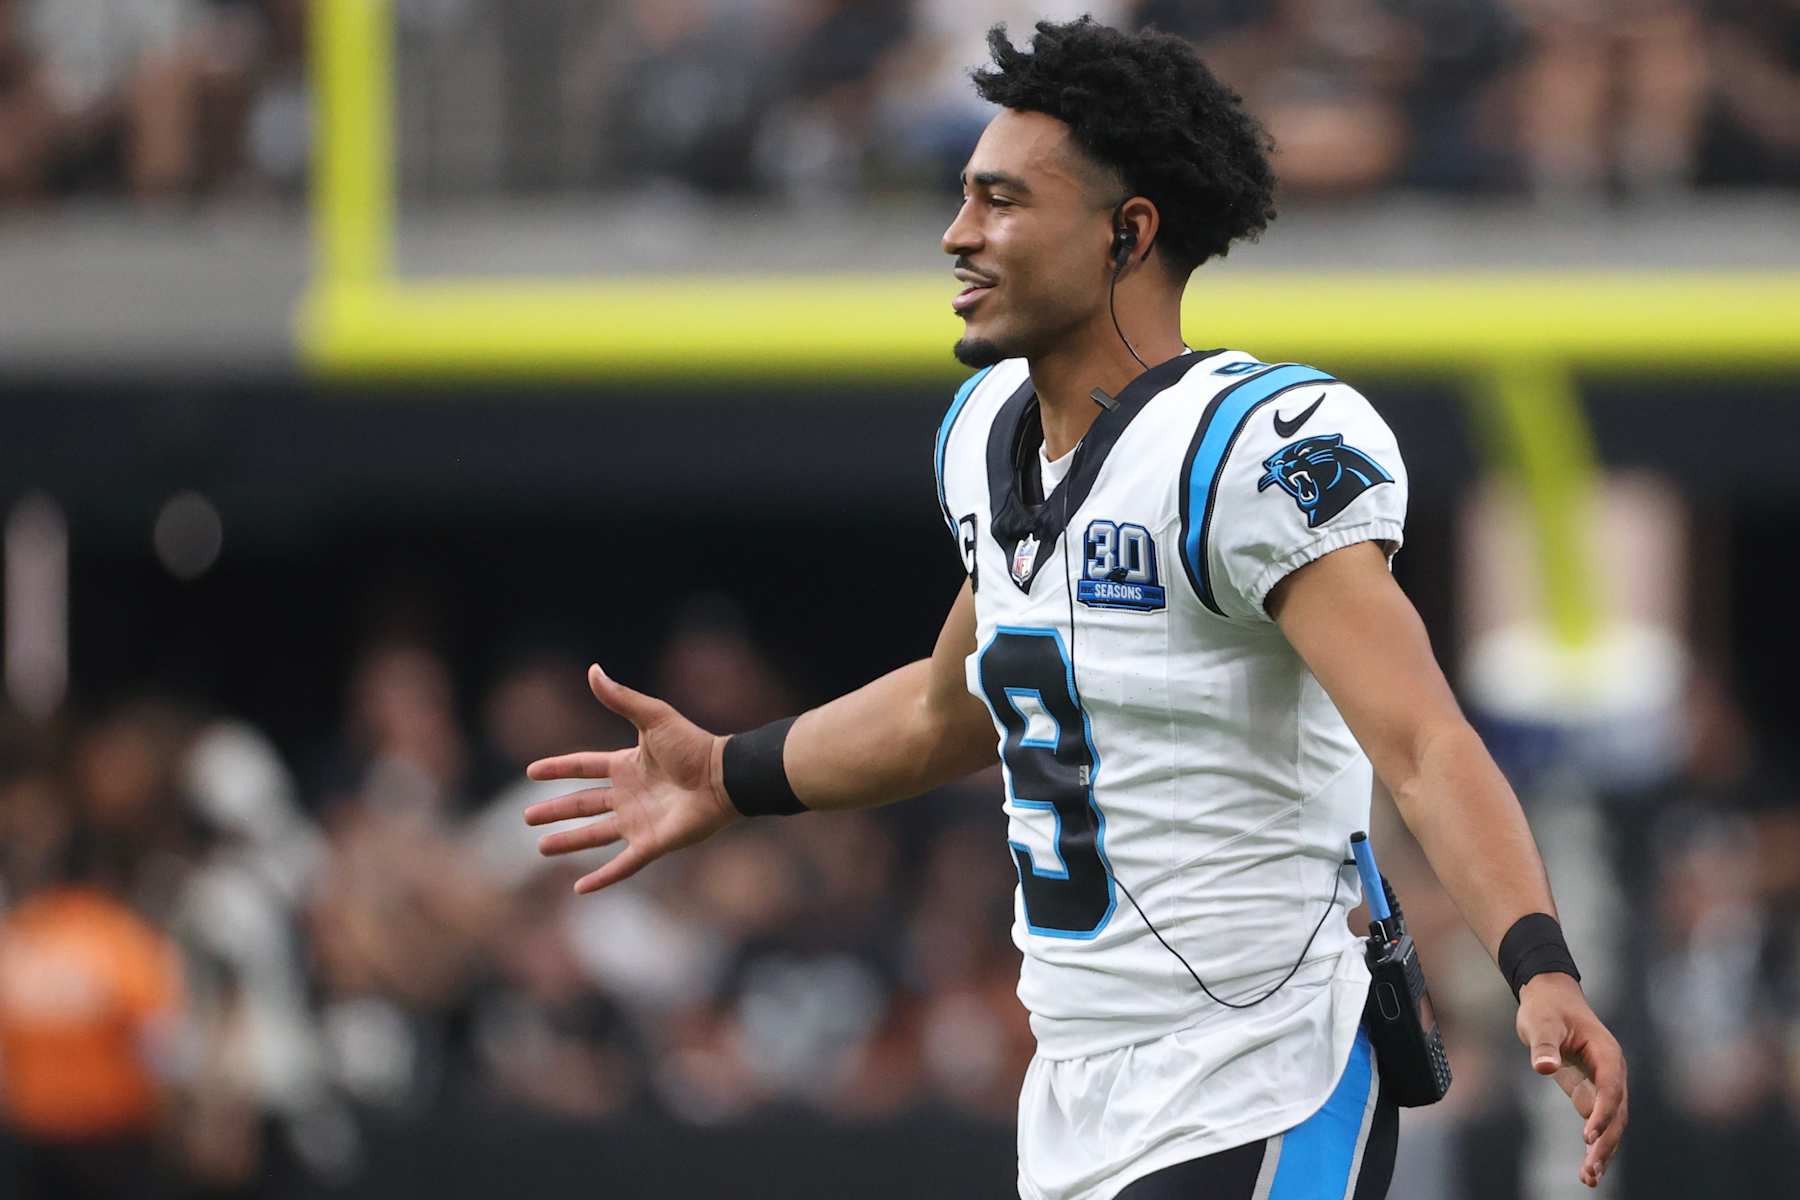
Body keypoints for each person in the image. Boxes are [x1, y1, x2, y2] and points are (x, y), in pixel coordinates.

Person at [524, 18, 1627, 1200]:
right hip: (1075, 1098)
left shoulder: (1246, 449)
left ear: (1127, 232)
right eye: (964, 197)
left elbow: (1419, 741)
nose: (958, 234)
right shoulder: (987, 437)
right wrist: (727, 775)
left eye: (1001, 202)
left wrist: (1537, 967)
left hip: (1260, 1076)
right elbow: (950, 708)